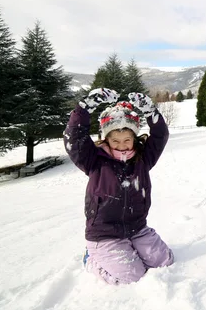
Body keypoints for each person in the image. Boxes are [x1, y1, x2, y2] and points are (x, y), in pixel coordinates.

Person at [64, 88, 174, 285]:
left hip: (137, 228)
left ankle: (132, 248)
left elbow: (160, 135)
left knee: (165, 262)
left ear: (134, 138)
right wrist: (84, 108)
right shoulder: (93, 160)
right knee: (133, 277)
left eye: (127, 140)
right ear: (106, 138)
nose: (122, 146)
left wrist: (151, 111)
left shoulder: (143, 159)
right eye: (115, 140)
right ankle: (91, 260)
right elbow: (74, 137)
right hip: (104, 234)